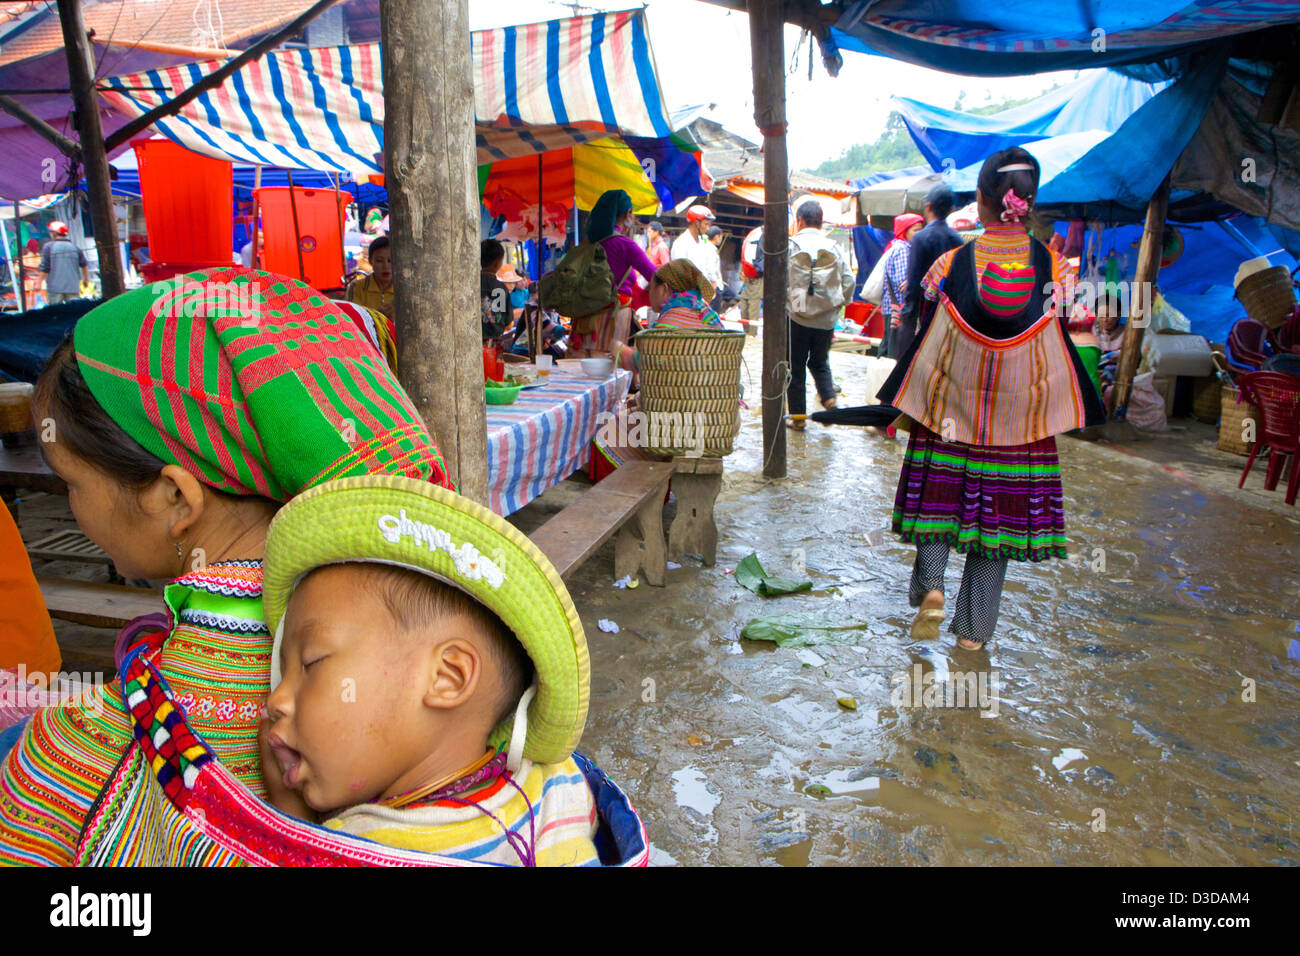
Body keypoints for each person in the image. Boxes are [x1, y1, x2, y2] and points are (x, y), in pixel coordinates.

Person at [0, 267, 455, 865]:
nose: (72, 509)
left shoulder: (70, 759)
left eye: (71, 485)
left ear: (176, 498)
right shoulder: (432, 700)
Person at [257, 475, 603, 865]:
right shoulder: (559, 784)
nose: (275, 700)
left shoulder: (360, 848)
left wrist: (290, 822)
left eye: (311, 663)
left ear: (447, 677)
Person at [876, 148, 1105, 650]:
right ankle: (973, 638)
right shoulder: (1058, 271)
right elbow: (1064, 329)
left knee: (937, 506)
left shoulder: (948, 263)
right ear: (1028, 203)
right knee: (993, 534)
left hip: (951, 414)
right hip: (1017, 426)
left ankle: (932, 587)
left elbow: (930, 330)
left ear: (981, 200)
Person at [786, 199, 854, 430]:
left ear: (800, 220)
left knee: (795, 367)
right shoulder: (834, 246)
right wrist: (836, 305)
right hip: (826, 318)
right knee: (820, 361)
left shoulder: (791, 244)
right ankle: (829, 398)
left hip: (796, 316)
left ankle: (797, 419)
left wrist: (792, 303)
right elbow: (849, 281)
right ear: (820, 221)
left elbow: (783, 281)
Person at [572, 189, 657, 358]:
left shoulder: (585, 244)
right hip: (612, 319)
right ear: (627, 214)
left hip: (582, 320)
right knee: (609, 370)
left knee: (580, 371)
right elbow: (656, 277)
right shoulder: (625, 245)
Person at [616, 259, 723, 370]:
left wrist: (618, 350)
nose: (649, 294)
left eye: (652, 287)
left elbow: (645, 360)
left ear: (664, 289)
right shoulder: (708, 314)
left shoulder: (671, 319)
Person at [898, 183, 962, 355]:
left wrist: (906, 325)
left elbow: (913, 286)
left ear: (928, 207)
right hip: (948, 315)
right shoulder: (957, 239)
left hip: (924, 315)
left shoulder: (921, 238)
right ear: (950, 210)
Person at [877, 213, 924, 357]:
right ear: (904, 231)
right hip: (898, 307)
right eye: (915, 230)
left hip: (891, 307)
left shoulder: (897, 246)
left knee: (887, 345)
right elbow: (902, 283)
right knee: (895, 350)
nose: (919, 234)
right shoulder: (903, 249)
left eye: (921, 229)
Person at [39, 222, 87, 305]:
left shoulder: (49, 247)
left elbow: (45, 268)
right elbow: (84, 265)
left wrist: (38, 283)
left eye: (50, 232)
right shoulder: (75, 248)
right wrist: (86, 280)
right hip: (73, 287)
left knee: (56, 313)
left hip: (55, 288)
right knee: (74, 313)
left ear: (54, 233)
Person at [670, 204, 718, 283]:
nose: (708, 228)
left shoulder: (703, 243)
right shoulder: (681, 244)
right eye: (706, 224)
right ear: (696, 223)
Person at [480, 239, 511, 344]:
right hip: (493, 345)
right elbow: (507, 321)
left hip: (471, 342)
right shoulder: (501, 288)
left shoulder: (469, 285)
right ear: (498, 263)